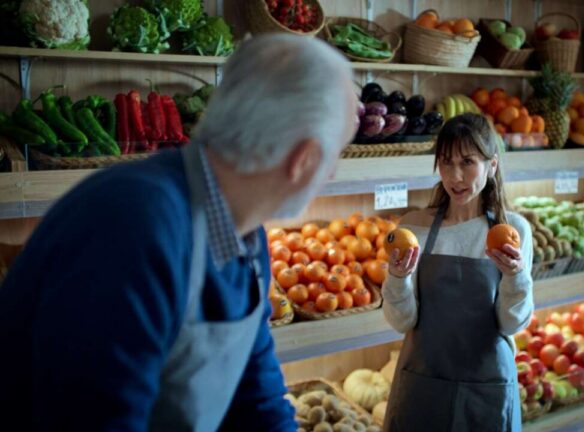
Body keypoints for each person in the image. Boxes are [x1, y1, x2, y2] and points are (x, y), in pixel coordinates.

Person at [0, 34, 358, 431]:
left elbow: (256, 396)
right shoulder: (133, 226)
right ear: (303, 160)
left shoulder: (246, 238)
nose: (332, 174)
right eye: (335, 156)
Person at [382, 113, 534, 432]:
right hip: (422, 386)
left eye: (468, 162)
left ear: (491, 165)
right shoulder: (413, 229)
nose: (455, 176)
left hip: (487, 388)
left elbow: (511, 323)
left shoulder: (513, 232)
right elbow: (402, 322)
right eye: (446, 162)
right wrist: (397, 280)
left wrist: (515, 276)